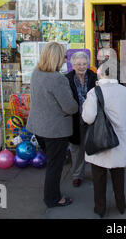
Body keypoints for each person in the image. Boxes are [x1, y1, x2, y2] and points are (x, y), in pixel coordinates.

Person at [26, 42, 79, 208]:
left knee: (52, 163)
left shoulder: (36, 73)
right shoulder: (58, 79)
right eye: (63, 56)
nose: (65, 60)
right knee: (55, 166)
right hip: (55, 130)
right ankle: (53, 198)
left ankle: (51, 194)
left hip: (38, 127)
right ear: (56, 57)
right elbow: (70, 107)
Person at [82, 61, 126, 218]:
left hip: (100, 142)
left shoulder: (94, 92)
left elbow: (89, 118)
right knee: (119, 175)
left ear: (101, 74)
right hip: (121, 142)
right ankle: (121, 205)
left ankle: (100, 208)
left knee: (98, 178)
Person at [65, 51, 97, 188]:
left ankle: (97, 173)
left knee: (95, 145)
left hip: (92, 116)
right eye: (78, 64)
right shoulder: (67, 79)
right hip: (75, 117)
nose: (82, 67)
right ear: (73, 65)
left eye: (84, 64)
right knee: (76, 148)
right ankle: (77, 175)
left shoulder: (94, 76)